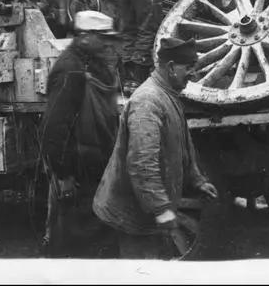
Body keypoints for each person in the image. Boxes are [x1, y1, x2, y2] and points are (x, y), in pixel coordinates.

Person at [93, 37, 218, 259]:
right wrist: (161, 208)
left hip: (147, 210)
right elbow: (142, 163)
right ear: (170, 67)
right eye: (188, 68)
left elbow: (182, 146)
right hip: (132, 215)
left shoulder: (168, 95)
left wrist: (197, 180)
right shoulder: (148, 102)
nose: (193, 74)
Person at [40, 10, 121, 258]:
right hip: (80, 173)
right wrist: (63, 174)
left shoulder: (90, 63)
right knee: (79, 242)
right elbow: (53, 128)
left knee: (97, 237)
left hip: (96, 168)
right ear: (85, 36)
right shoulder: (70, 69)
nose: (108, 42)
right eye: (102, 37)